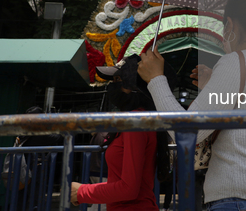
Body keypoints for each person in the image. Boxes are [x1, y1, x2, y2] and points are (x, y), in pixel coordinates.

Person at [139, 0, 246, 211]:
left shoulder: (234, 61)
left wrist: (156, 79)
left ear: (231, 25)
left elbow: (187, 132)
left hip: (238, 200)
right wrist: (213, 84)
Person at [70, 55, 178, 210]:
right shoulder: (137, 119)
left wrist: (82, 192)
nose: (112, 85)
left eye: (118, 79)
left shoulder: (136, 121)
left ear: (135, 85)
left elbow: (129, 189)